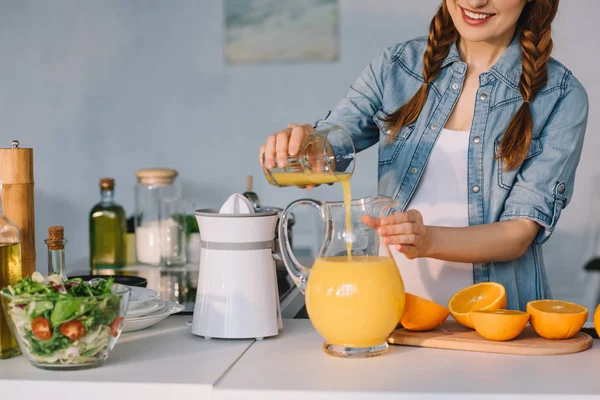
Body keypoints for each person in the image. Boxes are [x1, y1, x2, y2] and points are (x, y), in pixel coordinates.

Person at [259, 0, 588, 311]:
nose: (474, 2)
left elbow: (519, 232)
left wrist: (428, 239)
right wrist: (300, 145)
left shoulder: (560, 96)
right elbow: (331, 143)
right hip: (395, 316)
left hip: (497, 324)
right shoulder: (397, 68)